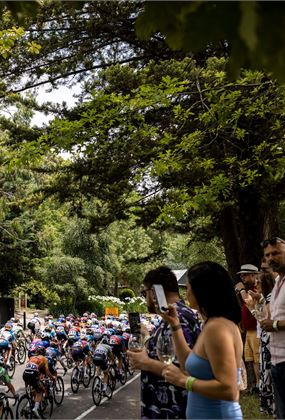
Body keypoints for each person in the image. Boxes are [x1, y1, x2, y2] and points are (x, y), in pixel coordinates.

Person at [161, 261, 243, 419]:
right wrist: (175, 325)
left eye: (189, 289)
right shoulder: (213, 324)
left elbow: (229, 390)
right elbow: (187, 364)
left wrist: (184, 381)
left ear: (203, 292)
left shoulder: (217, 328)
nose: (187, 295)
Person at [127, 266, 201, 419]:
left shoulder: (178, 320)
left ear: (154, 292)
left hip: (172, 410)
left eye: (144, 293)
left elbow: (183, 371)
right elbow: (164, 354)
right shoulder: (176, 316)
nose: (144, 298)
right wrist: (147, 337)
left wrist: (145, 363)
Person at [243, 271, 275, 415]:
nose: (256, 284)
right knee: (264, 372)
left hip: (270, 341)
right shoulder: (264, 298)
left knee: (268, 374)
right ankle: (269, 407)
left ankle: (273, 408)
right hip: (263, 338)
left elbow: (265, 320)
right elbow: (261, 319)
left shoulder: (269, 298)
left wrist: (254, 305)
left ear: (266, 283)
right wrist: (252, 306)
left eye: (258, 282)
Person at [260, 236, 285, 419]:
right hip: (276, 359)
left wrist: (275, 325)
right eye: (267, 255)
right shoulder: (278, 282)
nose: (270, 258)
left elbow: (276, 322)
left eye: (275, 253)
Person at [235, 263, 260, 393]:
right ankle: (256, 384)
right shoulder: (247, 289)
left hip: (257, 330)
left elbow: (249, 302)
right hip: (249, 330)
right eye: (241, 276)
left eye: (245, 275)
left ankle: (260, 385)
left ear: (253, 275)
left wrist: (241, 290)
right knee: (250, 359)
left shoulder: (256, 288)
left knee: (257, 359)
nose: (242, 278)